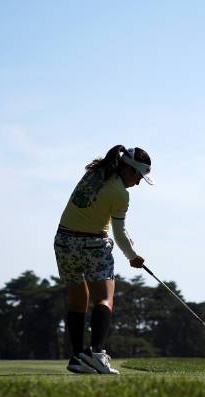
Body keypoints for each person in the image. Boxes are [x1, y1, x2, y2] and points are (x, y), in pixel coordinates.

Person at [54, 145, 154, 374]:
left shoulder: (94, 172)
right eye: (138, 176)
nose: (138, 183)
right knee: (105, 298)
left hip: (63, 242)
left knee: (78, 298)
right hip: (93, 245)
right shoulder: (120, 193)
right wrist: (133, 257)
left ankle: (78, 358)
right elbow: (119, 233)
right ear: (129, 169)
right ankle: (97, 353)